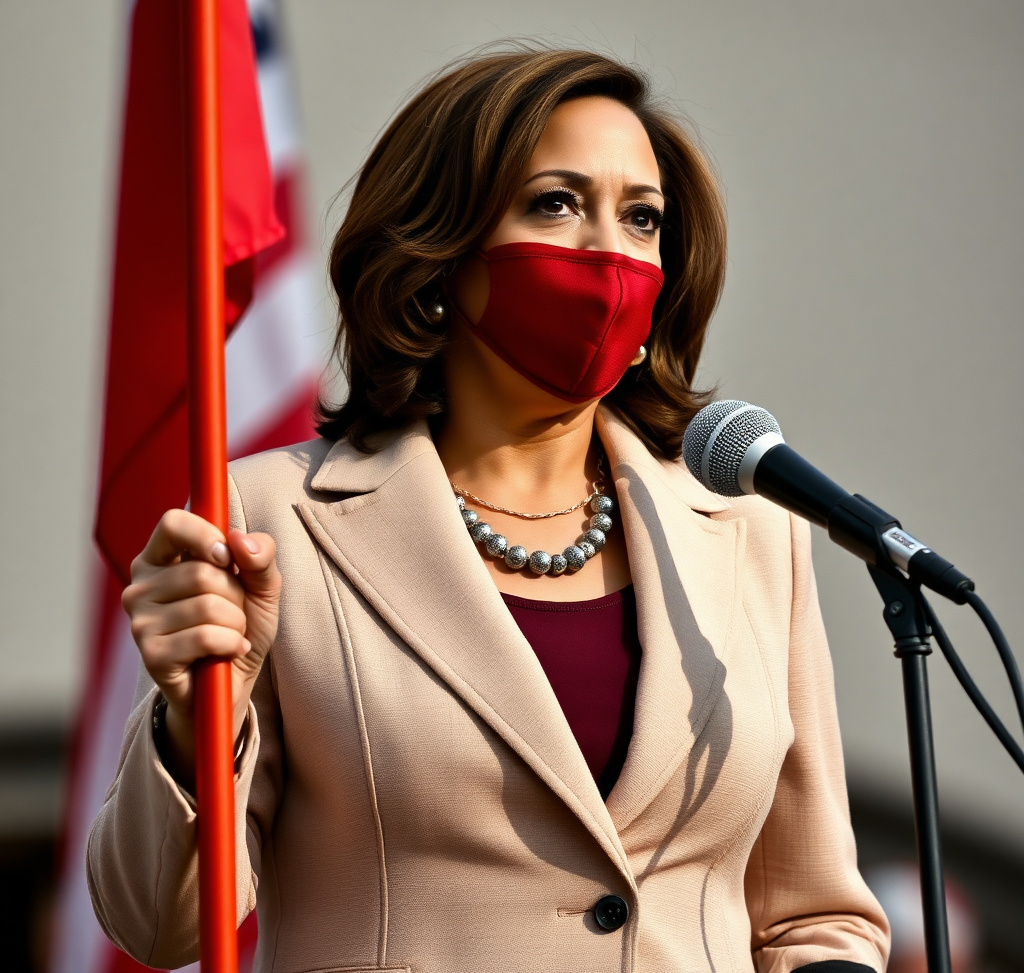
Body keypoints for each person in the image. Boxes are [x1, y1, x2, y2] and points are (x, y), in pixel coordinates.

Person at [88, 48, 890, 973]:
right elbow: (158, 923)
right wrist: (194, 724)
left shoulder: (752, 527)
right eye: (556, 202)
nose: (609, 253)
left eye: (641, 218)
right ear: (438, 253)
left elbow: (815, 914)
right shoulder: (270, 518)